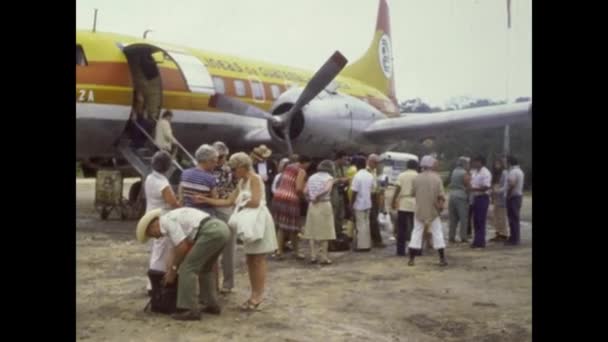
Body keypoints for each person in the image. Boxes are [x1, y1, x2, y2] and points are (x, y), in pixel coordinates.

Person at [194, 152, 278, 311]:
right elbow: (228, 201)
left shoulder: (255, 178)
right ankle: (254, 294)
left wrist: (240, 205)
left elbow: (255, 202)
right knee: (250, 259)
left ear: (243, 167)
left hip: (258, 221)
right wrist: (206, 200)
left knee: (258, 259)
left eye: (235, 169)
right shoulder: (241, 182)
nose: (233, 172)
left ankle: (257, 295)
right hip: (249, 222)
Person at [135, 207, 230, 321]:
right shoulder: (171, 219)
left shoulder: (167, 222)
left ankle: (190, 309)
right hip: (221, 229)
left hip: (211, 231)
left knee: (187, 268)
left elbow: (182, 247)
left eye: (151, 234)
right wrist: (170, 270)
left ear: (153, 225)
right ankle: (211, 304)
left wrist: (174, 270)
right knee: (205, 268)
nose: (155, 237)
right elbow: (175, 250)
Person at [144, 151, 182, 294]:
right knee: (161, 252)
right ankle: (154, 284)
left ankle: (151, 282)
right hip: (162, 218)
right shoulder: (162, 182)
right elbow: (172, 202)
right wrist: (182, 205)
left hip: (151, 215)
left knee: (155, 251)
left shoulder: (149, 177)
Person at [407, 155, 448, 267]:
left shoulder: (416, 178)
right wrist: (440, 206)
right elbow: (441, 196)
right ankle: (442, 259)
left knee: (416, 233)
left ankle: (411, 259)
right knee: (437, 233)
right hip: (433, 210)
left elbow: (412, 193)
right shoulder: (437, 178)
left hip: (420, 209)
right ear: (431, 165)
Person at [272, 155, 312, 259]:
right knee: (294, 227)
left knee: (282, 226)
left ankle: (279, 251)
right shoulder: (301, 171)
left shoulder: (289, 167)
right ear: (305, 163)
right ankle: (296, 251)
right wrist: (304, 198)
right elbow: (298, 188)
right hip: (290, 198)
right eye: (308, 164)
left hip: (278, 196)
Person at [211, 141, 238, 294]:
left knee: (226, 249)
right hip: (223, 207)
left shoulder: (227, 171)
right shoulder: (227, 170)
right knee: (227, 250)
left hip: (223, 207)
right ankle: (225, 283)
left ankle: (225, 282)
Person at [303, 160, 337, 264]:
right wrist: (318, 196)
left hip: (312, 205)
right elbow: (327, 189)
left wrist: (309, 198)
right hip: (324, 204)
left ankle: (313, 256)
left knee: (312, 231)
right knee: (325, 232)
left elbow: (304, 191)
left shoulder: (311, 177)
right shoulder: (329, 178)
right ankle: (324, 257)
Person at [179, 144, 219, 216]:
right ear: (207, 161)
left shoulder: (184, 173)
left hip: (187, 213)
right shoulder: (210, 178)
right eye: (214, 161)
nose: (216, 164)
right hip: (204, 215)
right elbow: (215, 201)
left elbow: (181, 197)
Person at [392, 159, 418, 256]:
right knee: (415, 228)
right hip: (415, 203)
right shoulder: (418, 176)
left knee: (401, 228)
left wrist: (393, 200)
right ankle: (416, 249)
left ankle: (400, 251)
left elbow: (397, 189)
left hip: (403, 203)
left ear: (407, 166)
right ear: (416, 166)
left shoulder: (401, 175)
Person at [350, 156, 374, 251]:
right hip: (368, 203)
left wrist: (351, 204)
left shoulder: (357, 176)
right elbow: (372, 189)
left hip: (359, 204)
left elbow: (354, 192)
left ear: (357, 165)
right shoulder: (369, 175)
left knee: (360, 225)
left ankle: (362, 246)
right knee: (366, 224)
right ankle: (367, 245)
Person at [470, 155, 492, 248]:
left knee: (480, 220)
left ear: (481, 162)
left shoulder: (485, 172)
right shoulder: (474, 172)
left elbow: (486, 186)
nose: (474, 163)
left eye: (476, 161)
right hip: (475, 197)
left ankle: (481, 241)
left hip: (483, 197)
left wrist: (474, 189)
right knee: (475, 220)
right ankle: (476, 240)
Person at [448, 157, 471, 244]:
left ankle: (451, 236)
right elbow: (467, 185)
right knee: (463, 217)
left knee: (453, 218)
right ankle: (463, 237)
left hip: (452, 195)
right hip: (461, 195)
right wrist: (468, 195)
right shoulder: (464, 173)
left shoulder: (454, 171)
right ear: (465, 164)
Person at [366, 154, 386, 248]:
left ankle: (374, 239)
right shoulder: (366, 171)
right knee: (373, 219)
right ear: (370, 161)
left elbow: (376, 185)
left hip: (374, 195)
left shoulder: (374, 171)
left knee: (374, 218)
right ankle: (377, 240)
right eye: (375, 163)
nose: (377, 165)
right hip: (368, 195)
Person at [505, 155, 525, 246]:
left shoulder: (513, 171)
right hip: (518, 195)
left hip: (513, 197)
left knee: (513, 218)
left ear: (510, 162)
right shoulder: (520, 171)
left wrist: (508, 194)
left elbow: (512, 184)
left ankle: (514, 238)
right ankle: (515, 237)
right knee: (515, 218)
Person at [489, 158, 509, 242]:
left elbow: (506, 186)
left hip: (502, 197)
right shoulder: (494, 174)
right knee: (495, 216)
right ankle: (498, 233)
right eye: (495, 163)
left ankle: (504, 234)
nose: (496, 165)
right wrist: (492, 194)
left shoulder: (504, 173)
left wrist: (498, 191)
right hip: (495, 196)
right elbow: (492, 185)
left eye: (498, 163)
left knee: (502, 216)